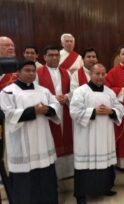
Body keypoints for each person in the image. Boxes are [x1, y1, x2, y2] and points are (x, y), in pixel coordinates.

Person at [0, 60, 60, 204]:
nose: (31, 73)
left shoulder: (43, 90)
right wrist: (33, 111)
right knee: (25, 183)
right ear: (18, 73)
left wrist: (48, 110)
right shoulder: (8, 92)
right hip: (21, 144)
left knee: (46, 176)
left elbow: (55, 105)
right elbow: (7, 114)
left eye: (33, 71)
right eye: (27, 70)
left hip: (42, 140)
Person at [70, 63, 124, 204]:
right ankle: (81, 195)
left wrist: (111, 111)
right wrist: (93, 111)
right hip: (86, 137)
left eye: (103, 74)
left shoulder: (109, 92)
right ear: (90, 74)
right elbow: (74, 111)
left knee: (105, 164)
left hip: (105, 135)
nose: (100, 77)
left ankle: (105, 188)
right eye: (97, 74)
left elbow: (120, 108)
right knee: (84, 167)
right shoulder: (81, 91)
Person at [36, 45, 73, 179]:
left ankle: (68, 172)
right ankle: (55, 174)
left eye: (57, 55)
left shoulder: (67, 72)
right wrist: (53, 99)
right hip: (50, 112)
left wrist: (67, 97)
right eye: (51, 55)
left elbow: (73, 90)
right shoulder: (37, 73)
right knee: (52, 139)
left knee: (67, 137)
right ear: (44, 57)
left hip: (65, 109)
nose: (54, 57)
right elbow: (36, 93)